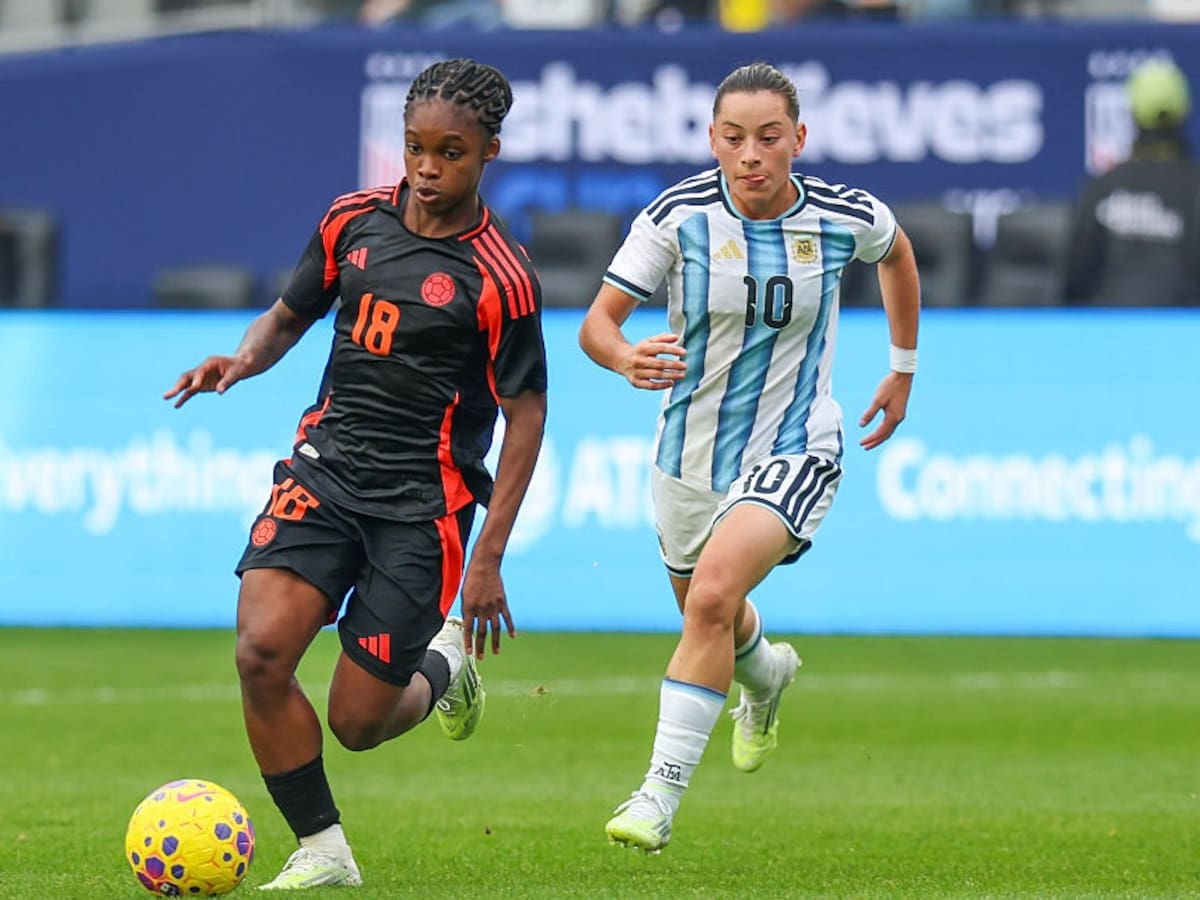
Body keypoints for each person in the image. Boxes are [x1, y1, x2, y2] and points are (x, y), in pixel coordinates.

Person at [164, 58, 547, 889]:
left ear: (489, 153)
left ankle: (446, 669)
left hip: (422, 508)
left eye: (451, 152)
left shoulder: (502, 279)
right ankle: (323, 849)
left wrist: (487, 559)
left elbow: (527, 418)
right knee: (262, 655)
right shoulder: (352, 222)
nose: (427, 168)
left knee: (358, 723)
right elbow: (289, 315)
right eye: (416, 147)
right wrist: (242, 360)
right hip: (324, 475)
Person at [578, 61, 920, 853]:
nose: (752, 155)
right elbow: (598, 322)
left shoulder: (843, 216)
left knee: (711, 599)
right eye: (734, 138)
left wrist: (902, 369)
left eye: (770, 138)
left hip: (797, 443)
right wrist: (625, 357)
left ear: (799, 139)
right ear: (712, 140)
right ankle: (763, 676)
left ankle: (655, 799)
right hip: (688, 454)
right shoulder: (677, 217)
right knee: (711, 612)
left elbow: (898, 256)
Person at [1063, 58, 1200, 307]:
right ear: (1185, 110)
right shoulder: (1194, 188)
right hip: (1183, 334)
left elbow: (1076, 274)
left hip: (1106, 334)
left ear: (1132, 114)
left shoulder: (1101, 187)